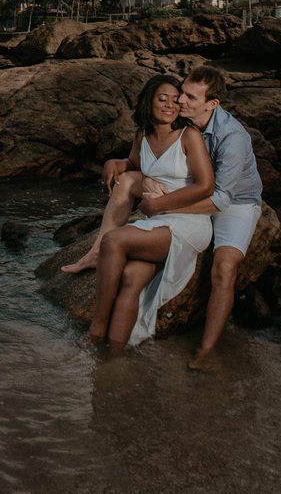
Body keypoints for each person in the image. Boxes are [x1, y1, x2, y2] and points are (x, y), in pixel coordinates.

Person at [67, 66, 262, 369]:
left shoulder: (228, 136)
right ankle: (110, 363)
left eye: (187, 96)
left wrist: (160, 206)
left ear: (212, 104)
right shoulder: (166, 129)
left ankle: (204, 351)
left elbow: (218, 195)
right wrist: (121, 167)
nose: (179, 101)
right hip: (179, 207)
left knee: (223, 268)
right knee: (131, 277)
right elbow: (149, 165)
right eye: (177, 93)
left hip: (235, 203)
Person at [60, 74, 214, 351]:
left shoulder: (188, 136)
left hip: (188, 223)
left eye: (173, 99)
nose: (170, 105)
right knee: (130, 278)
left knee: (113, 241)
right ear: (148, 102)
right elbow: (133, 164)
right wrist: (114, 162)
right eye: (161, 99)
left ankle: (96, 329)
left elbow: (206, 186)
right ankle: (113, 355)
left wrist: (159, 205)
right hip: (159, 223)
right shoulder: (142, 135)